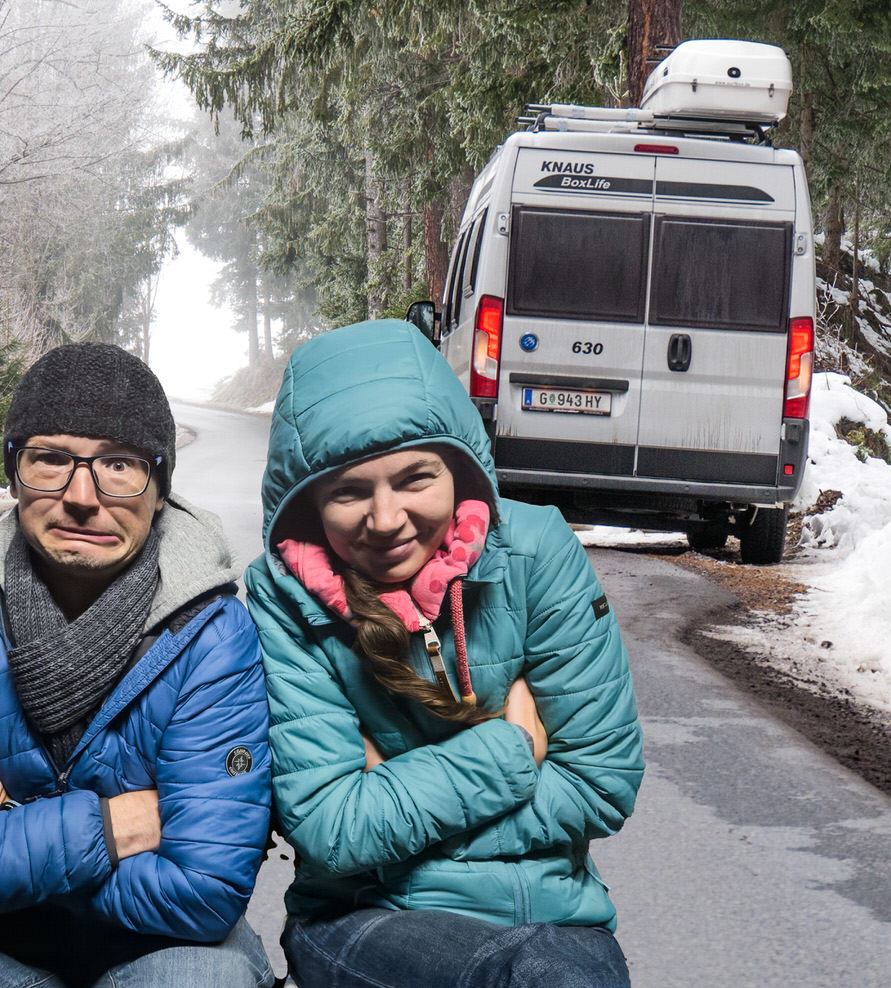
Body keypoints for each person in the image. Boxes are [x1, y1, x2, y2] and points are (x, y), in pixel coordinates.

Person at [0, 342, 274, 987]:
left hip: (162, 944)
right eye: (51, 460)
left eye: (120, 465)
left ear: (159, 488)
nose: (81, 495)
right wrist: (111, 824)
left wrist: (2, 829)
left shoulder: (212, 633)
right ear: (14, 472)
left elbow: (204, 887)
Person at [244, 319, 645, 986]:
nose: (387, 518)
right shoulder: (285, 596)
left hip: (557, 922)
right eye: (349, 490)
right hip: (364, 918)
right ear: (310, 501)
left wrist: (393, 806)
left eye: (413, 479)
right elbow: (328, 826)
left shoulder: (536, 553)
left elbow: (600, 783)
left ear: (457, 468)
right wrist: (512, 750)